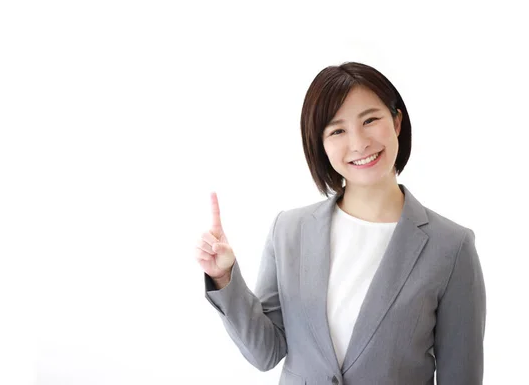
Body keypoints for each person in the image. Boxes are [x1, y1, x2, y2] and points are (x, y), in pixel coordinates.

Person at [194, 62, 486, 384]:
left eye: (370, 120)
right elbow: (267, 351)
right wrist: (223, 277)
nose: (359, 143)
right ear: (321, 144)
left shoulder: (451, 247)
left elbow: (461, 375)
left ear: (397, 121)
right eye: (337, 131)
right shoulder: (289, 230)